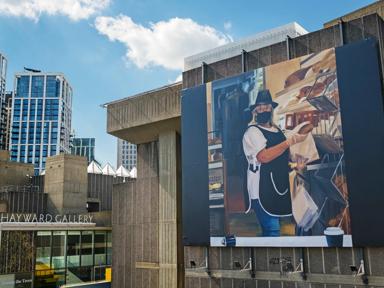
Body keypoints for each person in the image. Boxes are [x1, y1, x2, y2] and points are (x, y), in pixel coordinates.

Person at [242, 89, 307, 236]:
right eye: (259, 106)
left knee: (280, 229)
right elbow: (263, 157)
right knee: (272, 230)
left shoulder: (277, 130)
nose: (262, 109)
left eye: (266, 106)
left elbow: (285, 156)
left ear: (271, 108)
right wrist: (289, 142)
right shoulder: (252, 132)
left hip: (279, 184)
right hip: (262, 188)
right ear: (255, 111)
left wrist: (295, 162)